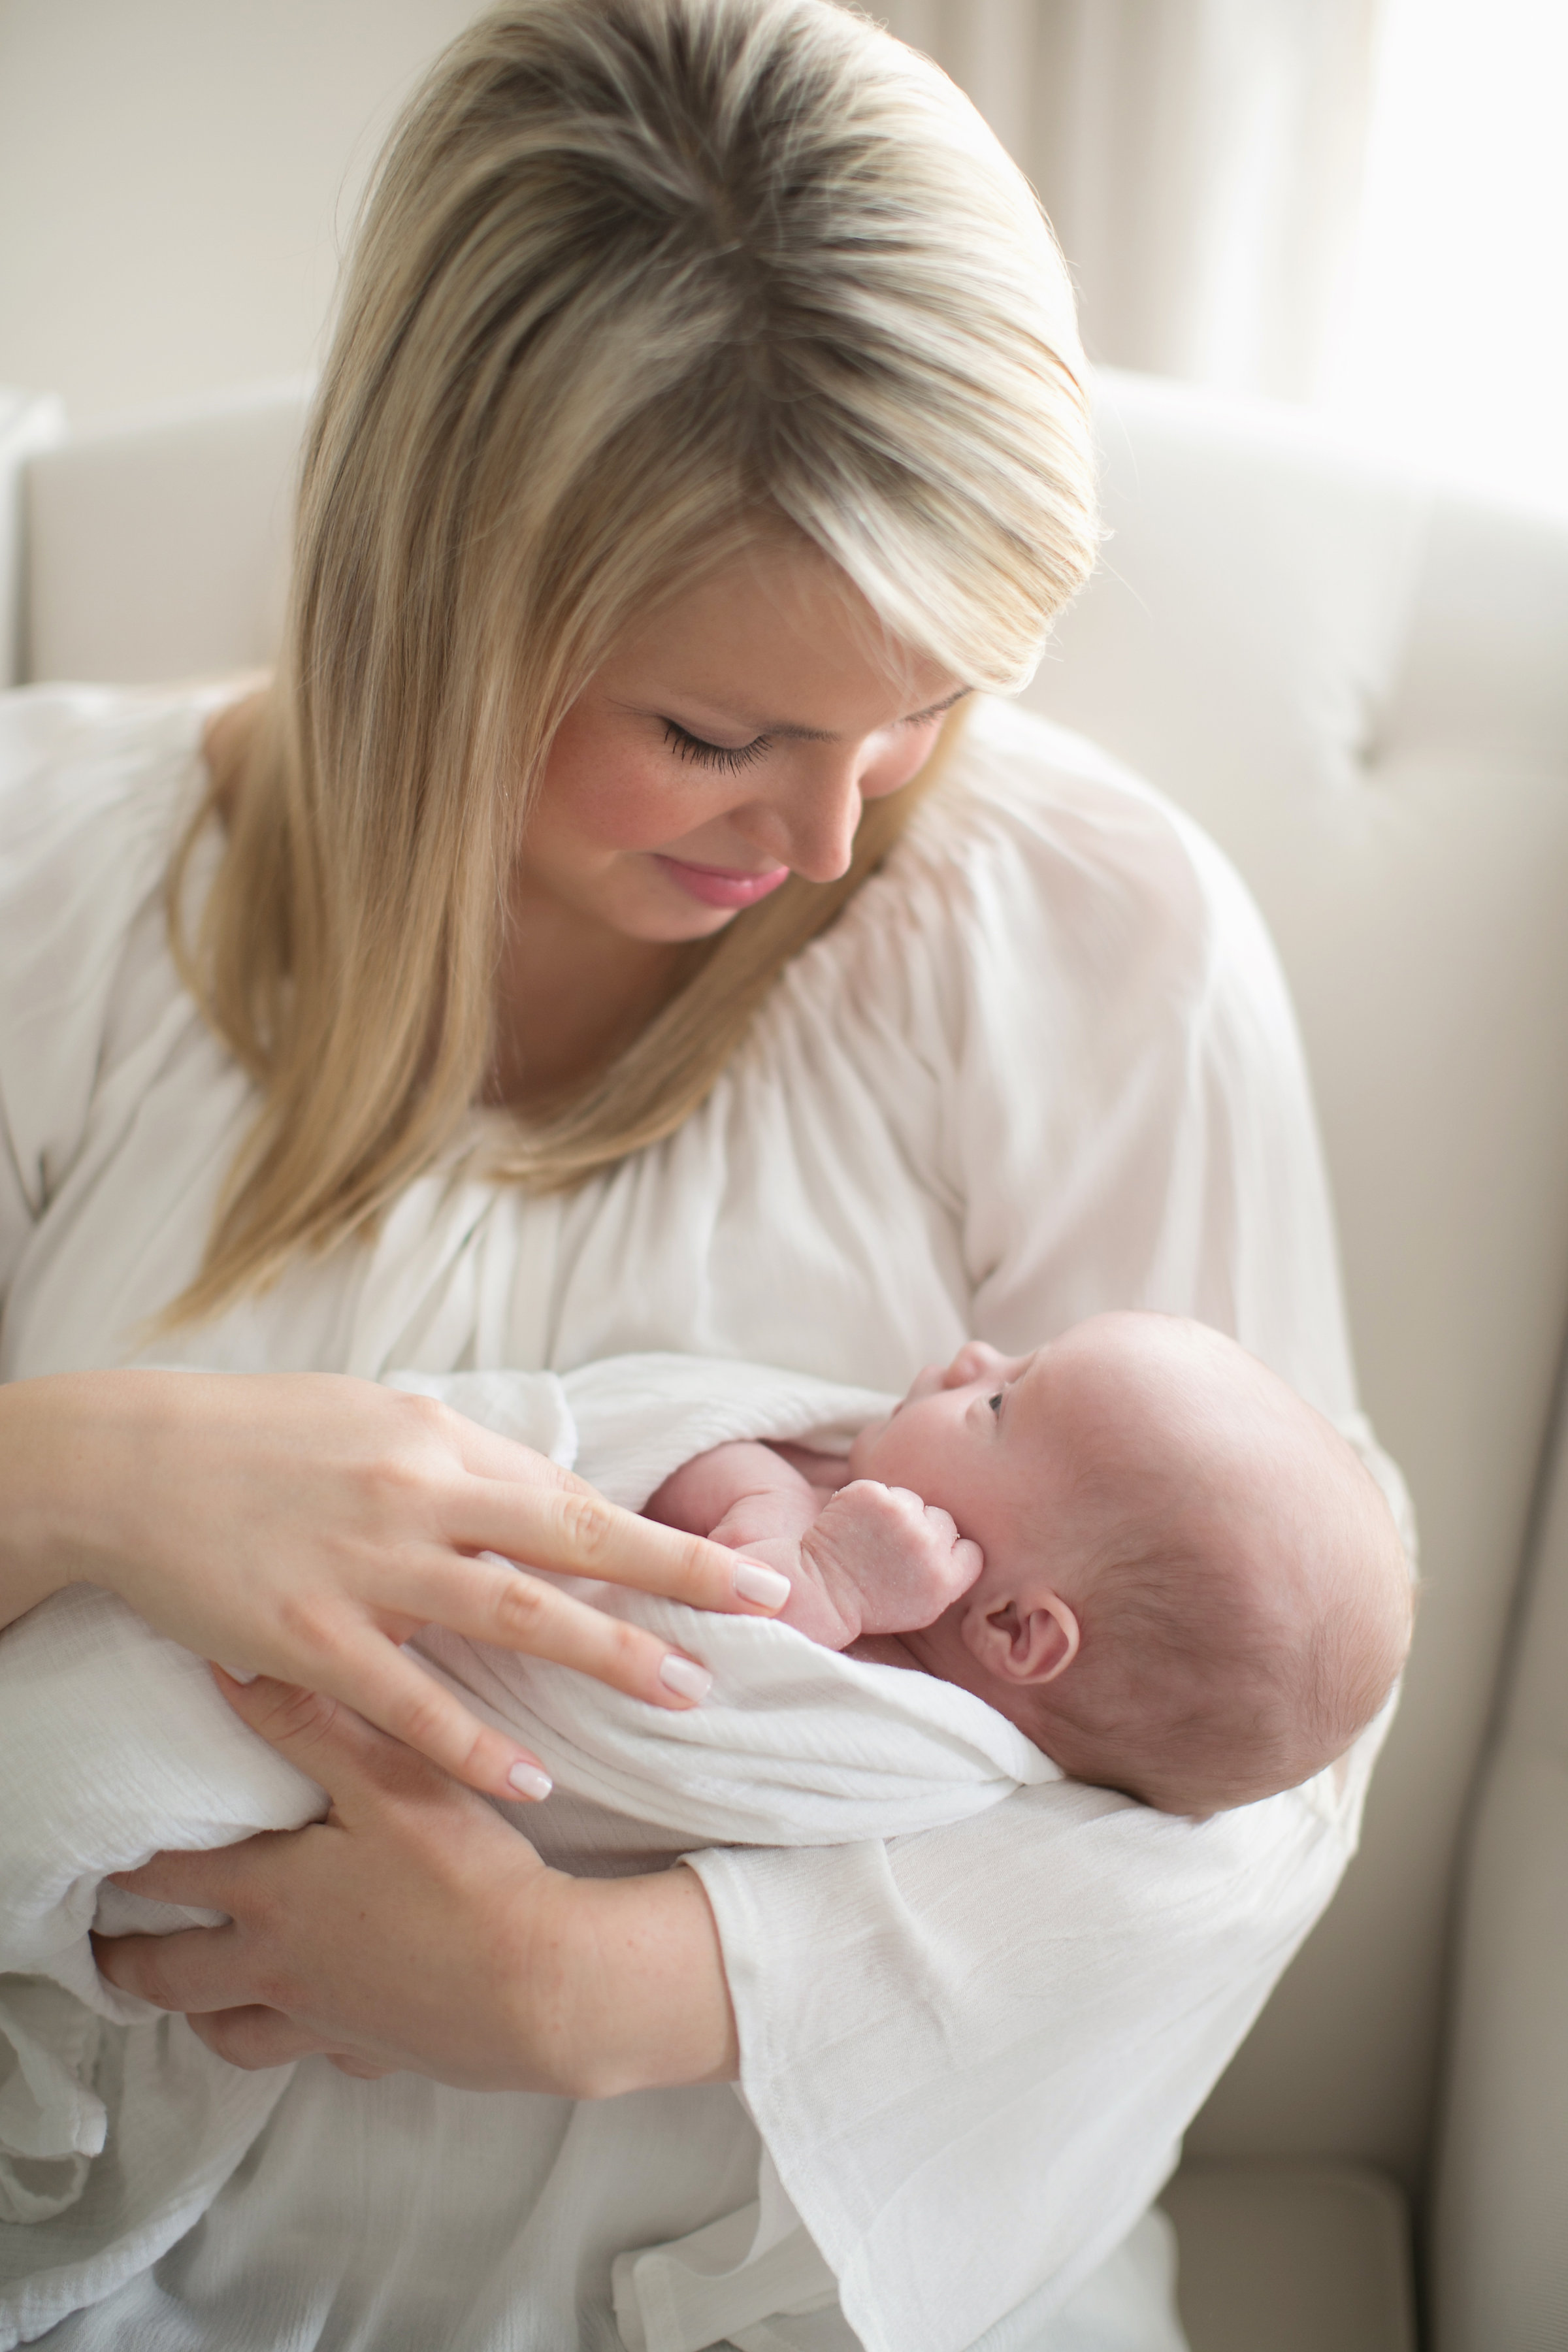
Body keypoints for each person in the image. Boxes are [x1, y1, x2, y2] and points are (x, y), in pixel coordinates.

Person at [0, 2, 1411, 2347]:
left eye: (934, 693)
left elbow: (1266, 1751)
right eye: (717, 729)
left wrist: (607, 1978)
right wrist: (85, 1470)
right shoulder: (46, 887)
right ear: (443, 593)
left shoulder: (1086, 936)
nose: (842, 831)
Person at [649, 1313, 1414, 1815]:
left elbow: (682, 1648)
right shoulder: (859, 1497)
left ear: (1016, 1627)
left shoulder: (908, 1740)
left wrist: (812, 1561)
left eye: (998, 1403)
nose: (974, 1357)